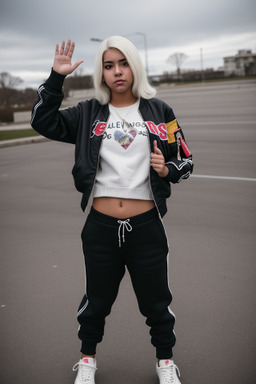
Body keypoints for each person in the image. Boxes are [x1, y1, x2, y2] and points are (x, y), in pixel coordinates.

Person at [31, 36, 193, 384]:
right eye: (108, 65)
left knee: (156, 303)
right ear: (101, 73)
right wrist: (56, 78)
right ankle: (87, 361)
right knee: (96, 302)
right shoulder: (87, 112)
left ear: (134, 66)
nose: (117, 71)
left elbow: (186, 159)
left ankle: (165, 363)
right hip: (101, 227)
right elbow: (42, 121)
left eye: (122, 63)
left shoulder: (160, 111)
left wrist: (167, 170)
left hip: (147, 226)